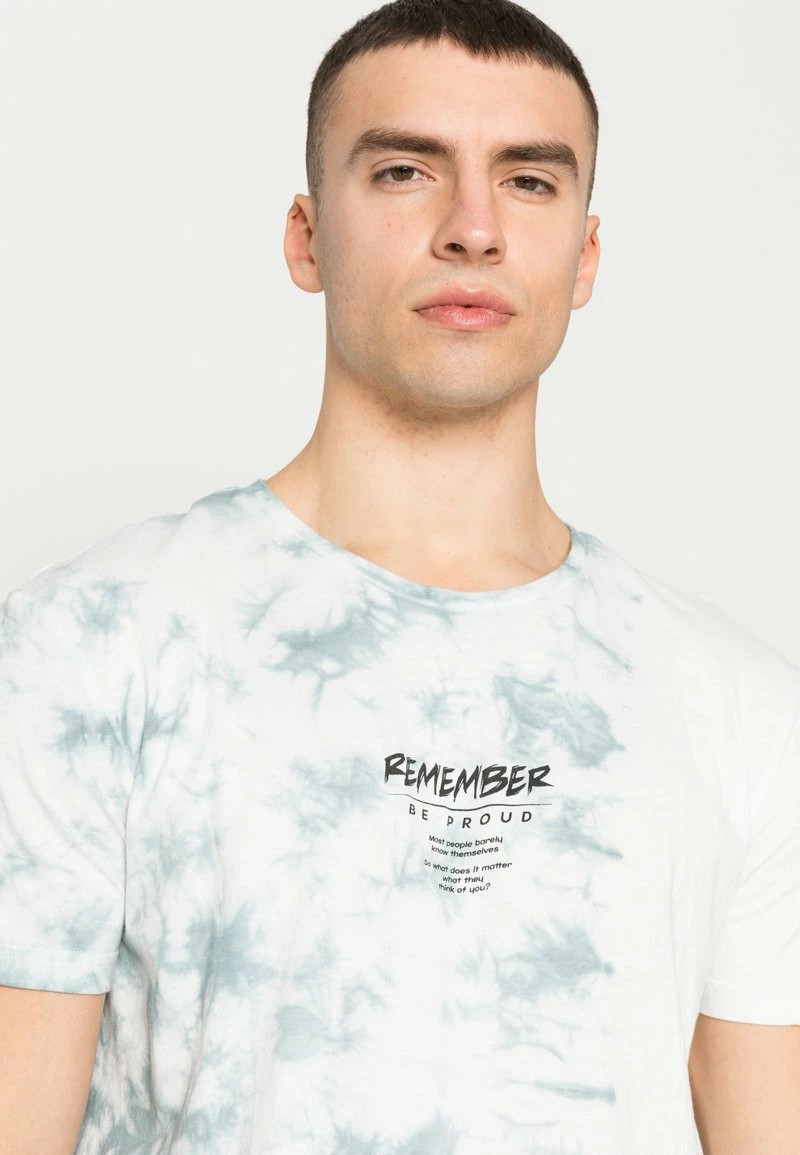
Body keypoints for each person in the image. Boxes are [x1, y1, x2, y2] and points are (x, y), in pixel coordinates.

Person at [1, 1, 798, 1152]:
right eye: (403, 172)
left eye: (527, 180)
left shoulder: (740, 709)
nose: (471, 229)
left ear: (583, 256)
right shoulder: (83, 648)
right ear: (306, 237)